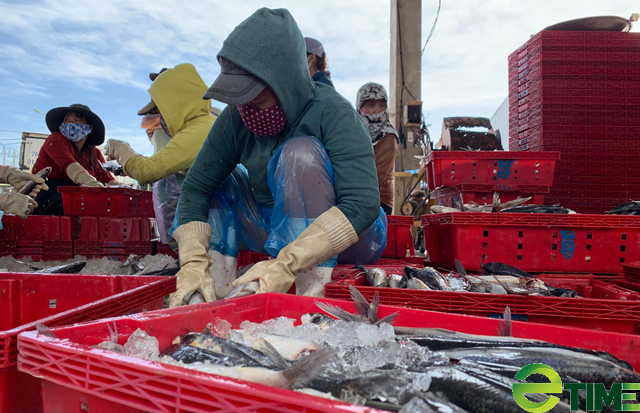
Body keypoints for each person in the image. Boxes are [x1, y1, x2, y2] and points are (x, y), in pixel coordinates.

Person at [169, 8, 387, 307]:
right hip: (274, 229)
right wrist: (192, 262)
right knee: (217, 180)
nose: (247, 112)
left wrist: (287, 263)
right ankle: (212, 292)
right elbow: (196, 188)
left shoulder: (333, 112)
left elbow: (362, 205)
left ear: (287, 87)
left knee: (299, 154)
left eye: (257, 101)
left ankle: (308, 299)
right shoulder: (235, 119)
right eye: (240, 102)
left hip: (353, 237)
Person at [106, 64, 215, 244]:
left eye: (161, 110)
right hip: (221, 216)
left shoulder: (199, 130)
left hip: (222, 220)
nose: (160, 118)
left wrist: (121, 148)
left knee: (167, 182)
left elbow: (146, 171)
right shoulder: (203, 125)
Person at [32, 104, 117, 215]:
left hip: (76, 195)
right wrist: (92, 183)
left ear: (89, 128)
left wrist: (123, 189)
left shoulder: (94, 152)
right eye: (66, 120)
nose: (70, 124)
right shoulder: (55, 139)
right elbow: (70, 166)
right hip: (47, 195)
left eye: (76, 120)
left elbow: (106, 178)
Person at [356, 83, 400, 215]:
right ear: (360, 107)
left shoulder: (388, 136)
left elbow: (375, 178)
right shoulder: (355, 131)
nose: (377, 110)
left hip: (378, 203)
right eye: (371, 105)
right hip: (355, 196)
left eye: (382, 105)